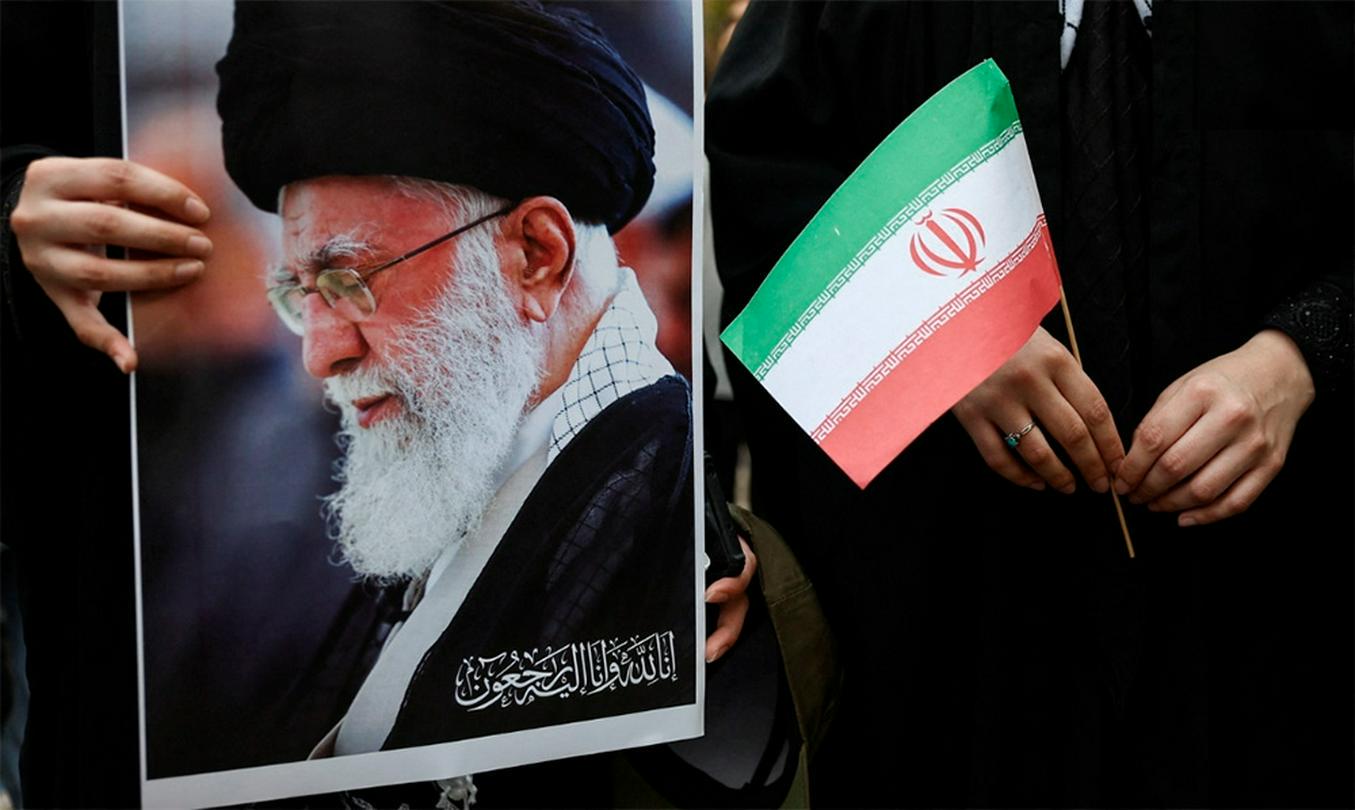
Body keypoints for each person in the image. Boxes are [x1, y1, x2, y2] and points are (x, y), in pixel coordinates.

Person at [708, 1, 1351, 807]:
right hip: (957, 619)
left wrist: (1302, 355)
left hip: (1272, 608)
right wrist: (937, 325)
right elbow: (763, 177)